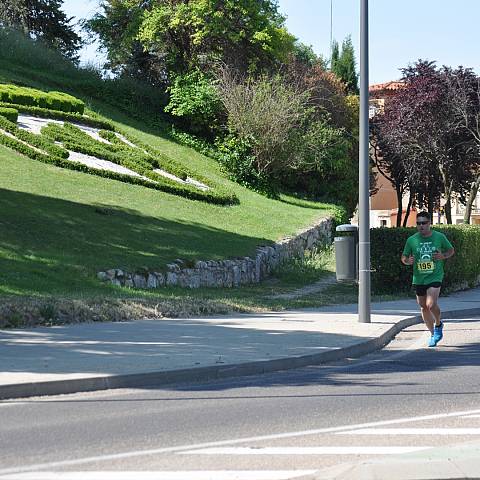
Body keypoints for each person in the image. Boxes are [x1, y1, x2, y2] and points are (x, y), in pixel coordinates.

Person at [401, 211, 455, 347]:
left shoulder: (439, 237)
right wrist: (408, 261)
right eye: (418, 223)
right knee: (423, 307)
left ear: (429, 223)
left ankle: (438, 324)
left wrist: (443, 256)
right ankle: (433, 334)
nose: (421, 226)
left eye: (424, 223)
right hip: (419, 278)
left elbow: (451, 250)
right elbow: (404, 257)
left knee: (431, 304)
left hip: (435, 275)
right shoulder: (412, 240)